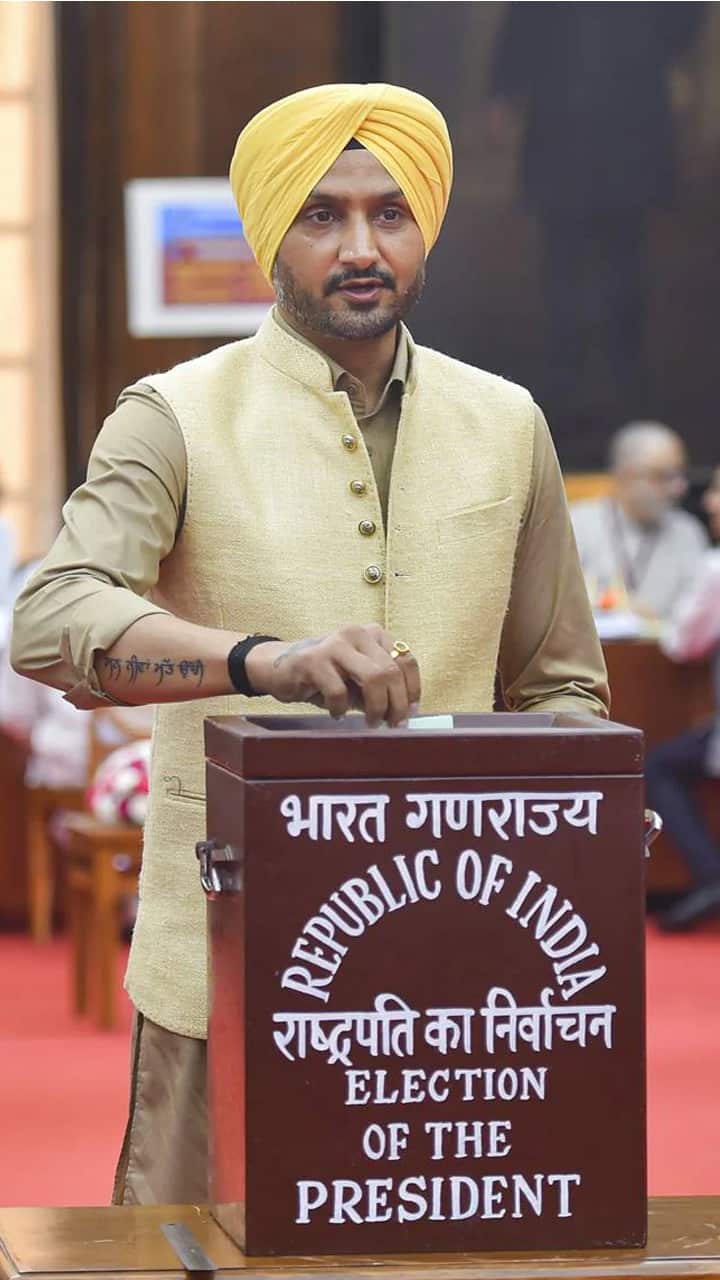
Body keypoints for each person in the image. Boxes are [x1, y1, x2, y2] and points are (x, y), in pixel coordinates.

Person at [11, 83, 608, 1204]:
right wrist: (263, 661)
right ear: (270, 233)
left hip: (463, 990)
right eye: (323, 215)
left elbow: (560, 688)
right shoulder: (173, 415)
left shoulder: (508, 423)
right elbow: (50, 619)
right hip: (222, 962)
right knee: (192, 1254)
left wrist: (570, 824)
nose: (362, 248)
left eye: (391, 213)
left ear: (426, 228)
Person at [646, 466, 720, 931]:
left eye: (717, 490)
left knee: (657, 767)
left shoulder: (716, 568)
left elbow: (682, 643)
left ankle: (711, 876)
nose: (708, 501)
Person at [571, 421, 708, 620]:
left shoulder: (687, 532)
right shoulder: (577, 524)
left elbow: (696, 616)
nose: (679, 488)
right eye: (664, 476)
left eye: (680, 475)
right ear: (626, 474)